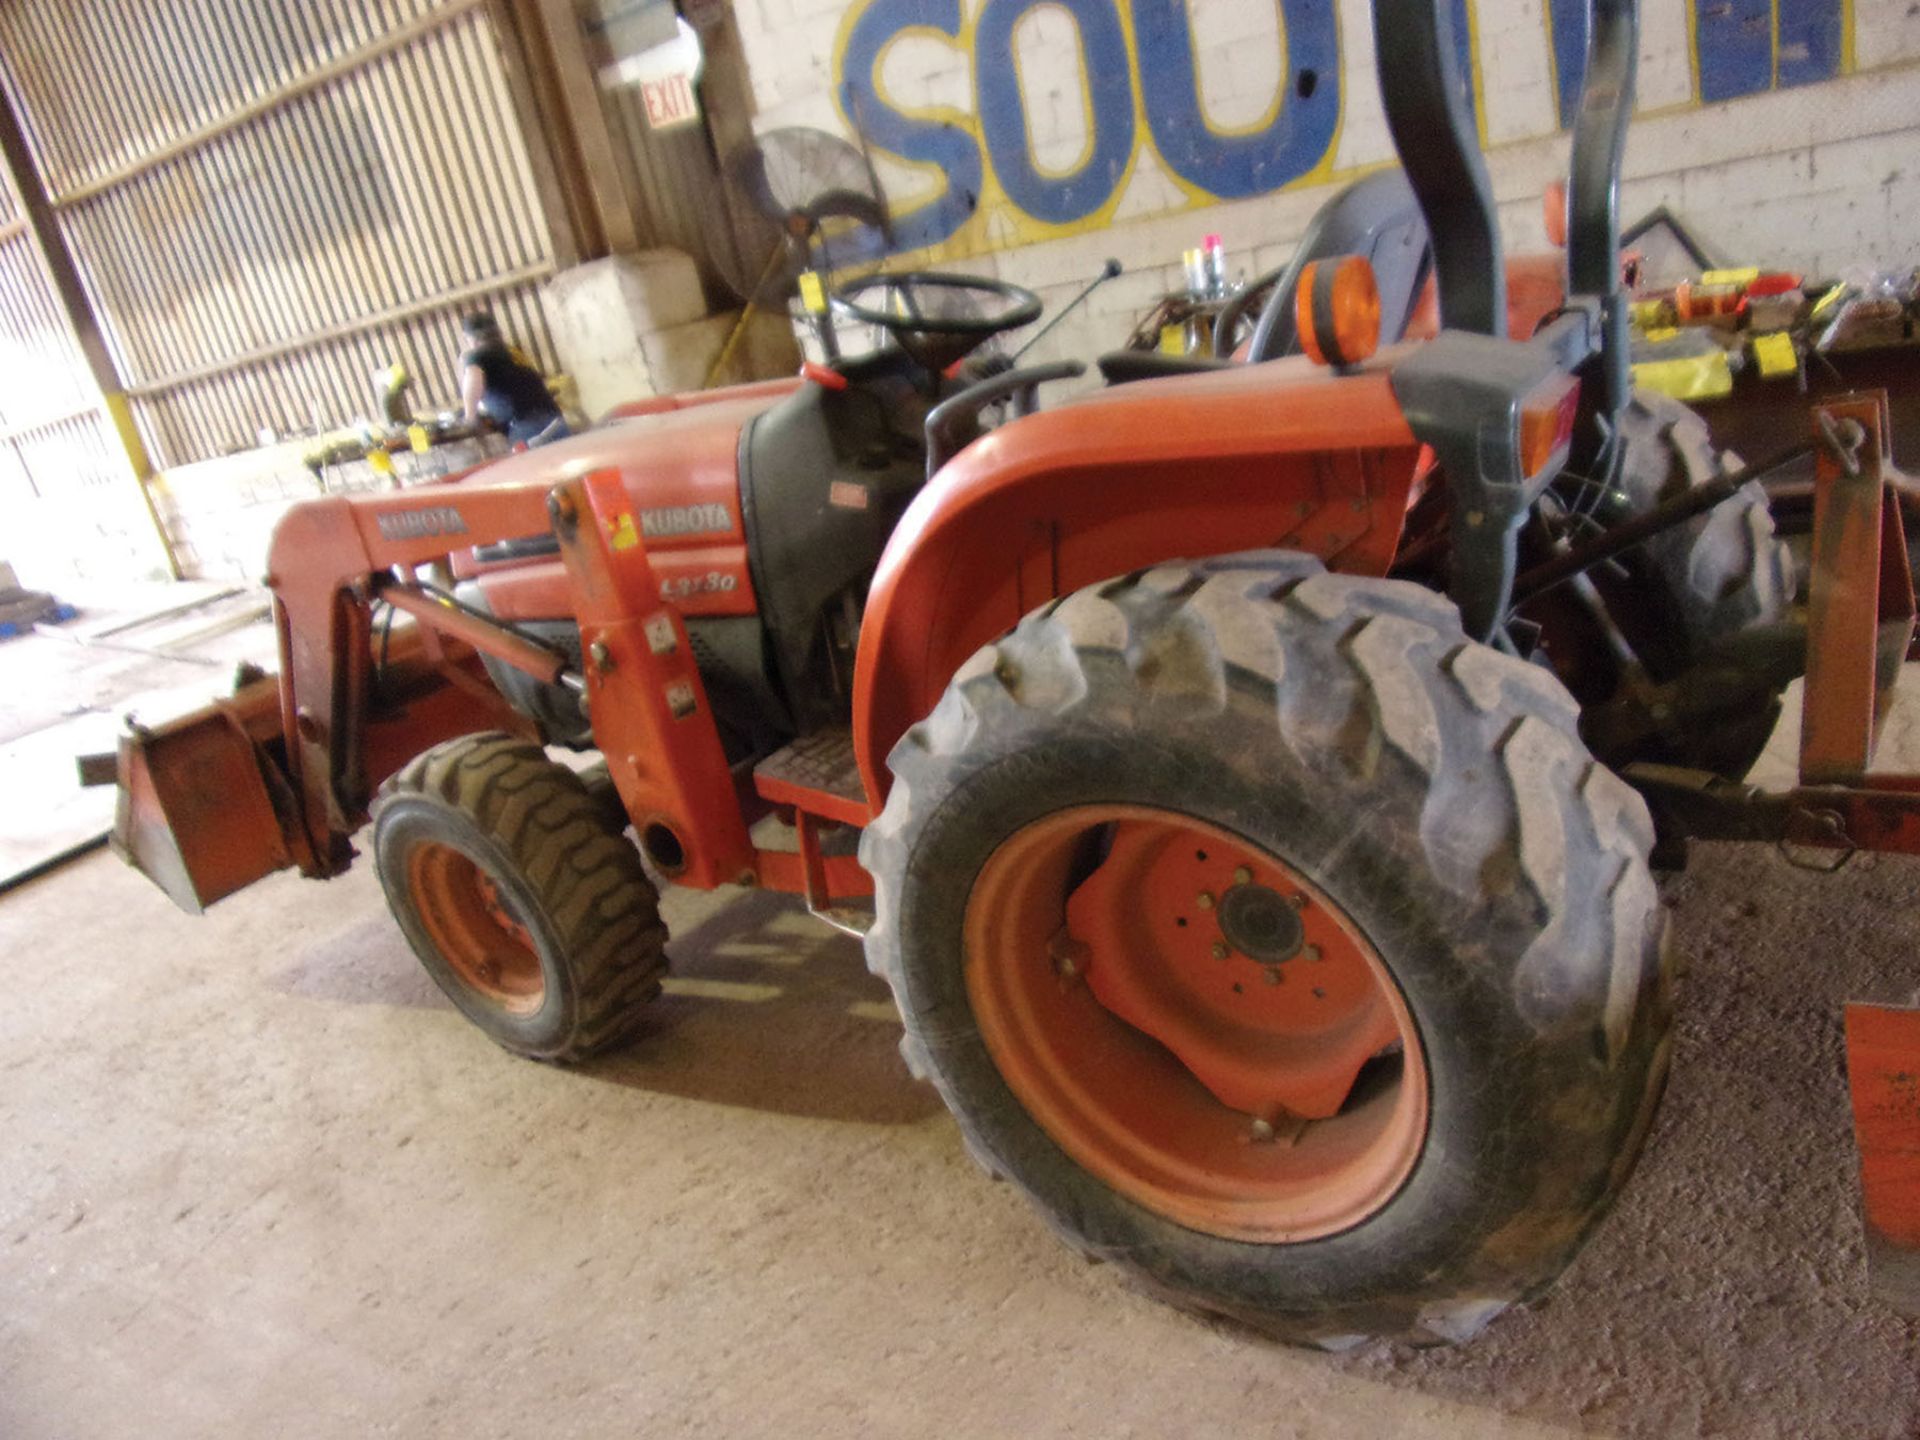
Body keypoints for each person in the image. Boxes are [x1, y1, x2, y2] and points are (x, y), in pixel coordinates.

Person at [457, 312, 570, 447]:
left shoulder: (477, 356)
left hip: (528, 427)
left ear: (468, 337)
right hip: (554, 420)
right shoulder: (512, 352)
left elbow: (472, 378)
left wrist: (470, 417)